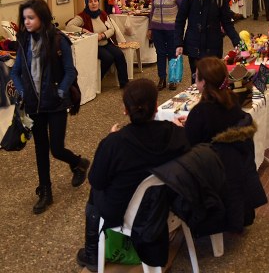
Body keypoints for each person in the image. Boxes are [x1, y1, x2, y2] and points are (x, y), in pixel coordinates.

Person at [75, 79, 190, 271]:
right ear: (155, 107)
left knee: (95, 191)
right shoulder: (174, 135)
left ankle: (92, 253)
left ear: (125, 110)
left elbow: (96, 180)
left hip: (126, 212)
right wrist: (175, 127)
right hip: (168, 207)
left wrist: (109, 138)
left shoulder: (114, 144)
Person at [10, 0, 89, 215]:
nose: (26, 21)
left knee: (56, 148)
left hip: (55, 104)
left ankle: (78, 162)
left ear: (42, 17)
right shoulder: (24, 41)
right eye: (24, 18)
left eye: (31, 17)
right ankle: (46, 191)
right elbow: (15, 71)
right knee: (41, 149)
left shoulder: (57, 39)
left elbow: (70, 71)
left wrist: (61, 91)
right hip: (34, 105)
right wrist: (23, 91)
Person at [178, 57, 268, 233]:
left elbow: (189, 146)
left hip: (211, 176)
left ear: (203, 82)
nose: (195, 80)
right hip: (235, 172)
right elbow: (216, 125)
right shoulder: (233, 101)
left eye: (196, 77)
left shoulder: (201, 112)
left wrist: (184, 127)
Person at [175, 0, 241, 81]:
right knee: (197, 79)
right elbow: (180, 21)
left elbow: (227, 24)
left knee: (213, 78)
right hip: (194, 46)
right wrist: (178, 43)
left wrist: (237, 42)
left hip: (213, 46)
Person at [66, 0, 129, 89]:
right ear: (87, 4)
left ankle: (124, 83)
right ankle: (96, 80)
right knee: (108, 58)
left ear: (98, 2)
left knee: (119, 55)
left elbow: (112, 29)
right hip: (93, 45)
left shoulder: (102, 14)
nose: (93, 4)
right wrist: (83, 30)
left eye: (95, 1)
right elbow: (69, 26)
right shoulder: (83, 16)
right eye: (90, 2)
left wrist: (103, 35)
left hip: (105, 42)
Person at [148, 0, 184, 91]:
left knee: (172, 54)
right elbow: (152, 11)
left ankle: (173, 80)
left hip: (172, 29)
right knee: (160, 53)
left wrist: (180, 27)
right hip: (157, 28)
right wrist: (150, 28)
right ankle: (162, 78)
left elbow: (183, 10)